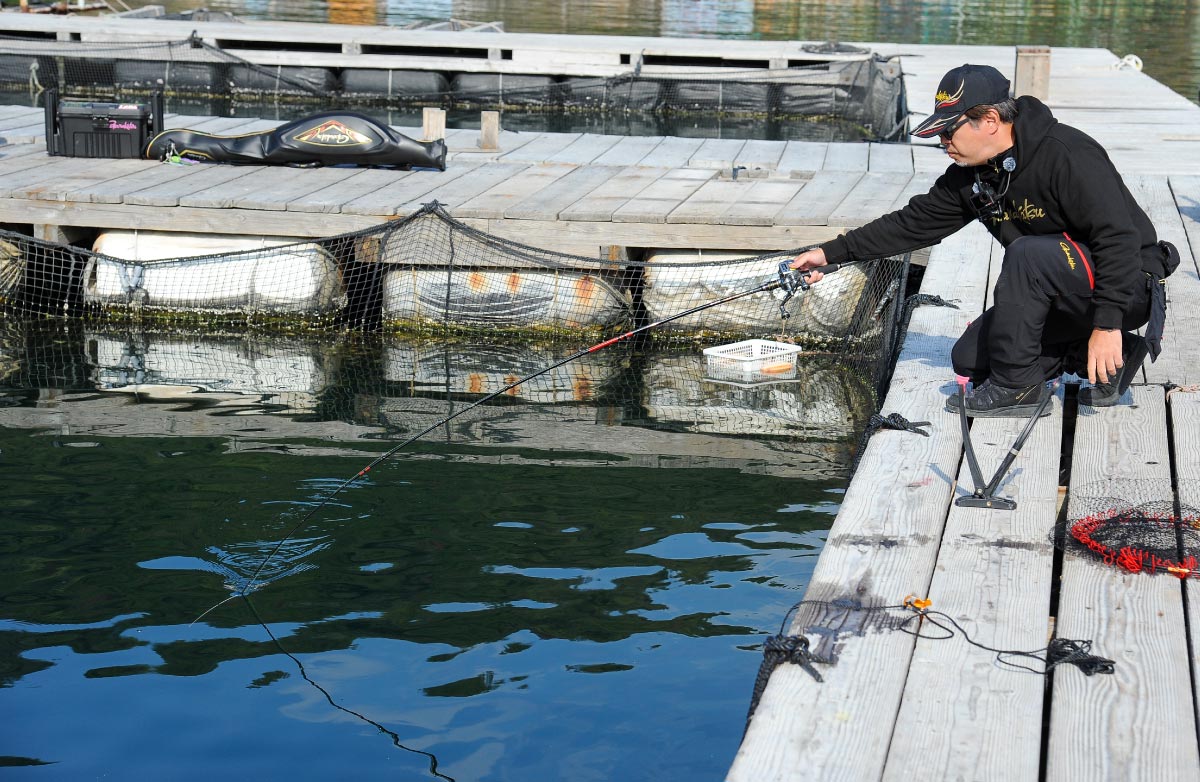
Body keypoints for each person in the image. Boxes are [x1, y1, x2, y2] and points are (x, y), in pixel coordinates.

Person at [790, 64, 1178, 417]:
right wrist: (829, 253)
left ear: (990, 119)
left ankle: (1018, 389)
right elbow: (912, 223)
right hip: (1062, 292)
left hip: (1127, 284)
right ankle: (1116, 357)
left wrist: (1108, 324)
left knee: (1028, 255)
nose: (942, 141)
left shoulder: (1067, 153)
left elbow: (1118, 239)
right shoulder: (973, 175)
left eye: (948, 130)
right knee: (969, 359)